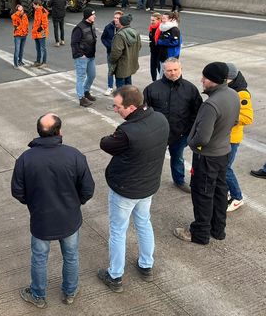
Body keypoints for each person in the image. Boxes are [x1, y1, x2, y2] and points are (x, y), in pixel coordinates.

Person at [12, 113, 95, 308]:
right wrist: (75, 203)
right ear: (59, 132)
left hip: (41, 220)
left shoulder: (25, 159)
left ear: (39, 132)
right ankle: (70, 292)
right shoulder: (74, 155)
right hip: (70, 218)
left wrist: (33, 203)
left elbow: (17, 191)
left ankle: (38, 295)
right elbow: (88, 189)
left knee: (39, 258)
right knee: (71, 255)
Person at [98, 85, 169, 292]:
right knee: (144, 223)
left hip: (126, 189)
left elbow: (106, 144)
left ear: (130, 107)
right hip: (148, 186)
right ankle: (146, 265)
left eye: (117, 106)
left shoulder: (127, 131)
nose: (115, 109)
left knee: (118, 231)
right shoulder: (160, 119)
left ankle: (115, 275)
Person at [173, 62, 240, 245]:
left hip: (207, 157)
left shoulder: (211, 104)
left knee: (203, 193)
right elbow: (235, 121)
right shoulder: (233, 94)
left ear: (215, 81)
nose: (202, 80)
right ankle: (218, 230)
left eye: (206, 78)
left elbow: (202, 138)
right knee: (220, 191)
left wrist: (190, 142)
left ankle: (199, 233)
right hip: (223, 152)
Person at [143, 58, 203, 193]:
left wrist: (189, 131)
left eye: (176, 69)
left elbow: (197, 111)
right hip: (157, 134)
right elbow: (144, 111)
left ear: (181, 69)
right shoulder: (152, 89)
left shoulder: (190, 89)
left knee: (178, 158)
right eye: (169, 70)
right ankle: (148, 183)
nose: (173, 73)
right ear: (163, 71)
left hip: (181, 134)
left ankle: (179, 181)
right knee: (152, 160)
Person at [224, 63, 253, 212]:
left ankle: (237, 197)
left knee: (225, 168)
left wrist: (227, 117)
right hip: (224, 137)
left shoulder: (241, 93)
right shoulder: (229, 89)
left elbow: (248, 118)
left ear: (230, 78)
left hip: (232, 139)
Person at [71, 8, 97, 107]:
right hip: (82, 58)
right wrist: (81, 54)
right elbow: (74, 43)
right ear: (87, 16)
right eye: (93, 14)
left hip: (91, 56)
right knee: (81, 78)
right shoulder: (79, 28)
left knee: (92, 75)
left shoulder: (92, 25)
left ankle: (86, 91)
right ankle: (81, 98)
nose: (95, 16)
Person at [109, 13, 141, 88]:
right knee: (129, 87)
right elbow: (139, 46)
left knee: (121, 90)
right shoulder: (135, 32)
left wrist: (111, 60)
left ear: (121, 23)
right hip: (130, 64)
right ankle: (129, 99)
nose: (116, 22)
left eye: (118, 21)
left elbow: (116, 52)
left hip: (121, 67)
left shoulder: (119, 35)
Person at [100, 11, 122, 96]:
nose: (116, 19)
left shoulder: (123, 27)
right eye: (115, 17)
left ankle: (119, 88)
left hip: (121, 54)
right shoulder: (108, 27)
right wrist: (109, 46)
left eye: (118, 18)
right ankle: (110, 87)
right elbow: (103, 38)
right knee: (110, 70)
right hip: (111, 53)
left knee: (120, 71)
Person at [32, 0, 49, 68]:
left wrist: (40, 28)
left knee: (42, 48)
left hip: (42, 32)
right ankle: (38, 61)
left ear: (38, 5)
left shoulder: (42, 11)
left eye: (34, 5)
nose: (33, 6)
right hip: (36, 32)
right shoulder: (36, 11)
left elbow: (45, 23)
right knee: (38, 48)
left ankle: (44, 62)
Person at [148, 12, 162, 81]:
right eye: (151, 20)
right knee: (152, 68)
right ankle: (154, 81)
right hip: (153, 51)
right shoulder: (151, 28)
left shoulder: (162, 29)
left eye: (153, 20)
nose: (151, 22)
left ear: (159, 20)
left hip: (160, 52)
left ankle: (162, 82)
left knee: (160, 68)